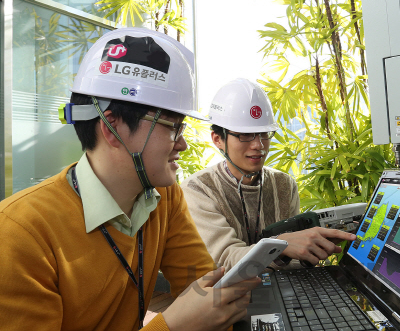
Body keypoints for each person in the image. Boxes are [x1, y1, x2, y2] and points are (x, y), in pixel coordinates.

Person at [0, 28, 259, 331]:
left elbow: (197, 281)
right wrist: (173, 326)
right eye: (172, 127)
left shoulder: (164, 198)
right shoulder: (18, 235)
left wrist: (221, 301)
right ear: (113, 128)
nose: (182, 144)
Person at [181, 78, 356, 270]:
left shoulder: (284, 184)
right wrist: (281, 244)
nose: (258, 145)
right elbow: (224, 258)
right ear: (218, 139)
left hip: (284, 291)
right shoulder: (198, 189)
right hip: (226, 297)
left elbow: (296, 260)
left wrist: (314, 248)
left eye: (264, 133)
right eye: (245, 135)